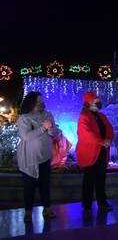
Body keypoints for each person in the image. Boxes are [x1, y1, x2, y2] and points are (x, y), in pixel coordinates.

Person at [16, 91, 59, 222]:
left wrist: (52, 129)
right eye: (38, 101)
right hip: (30, 159)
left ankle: (47, 209)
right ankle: (28, 211)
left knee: (45, 184)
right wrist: (43, 128)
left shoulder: (48, 114)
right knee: (29, 186)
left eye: (42, 101)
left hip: (45, 156)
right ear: (31, 103)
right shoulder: (24, 118)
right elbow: (26, 137)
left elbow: (55, 133)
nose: (42, 103)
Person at [76, 92, 114, 212]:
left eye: (98, 100)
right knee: (89, 179)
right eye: (95, 100)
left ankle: (102, 201)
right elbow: (86, 134)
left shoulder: (102, 116)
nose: (98, 102)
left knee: (101, 178)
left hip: (102, 151)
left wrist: (108, 139)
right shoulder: (84, 116)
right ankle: (87, 205)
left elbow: (109, 128)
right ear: (89, 103)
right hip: (89, 153)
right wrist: (101, 142)